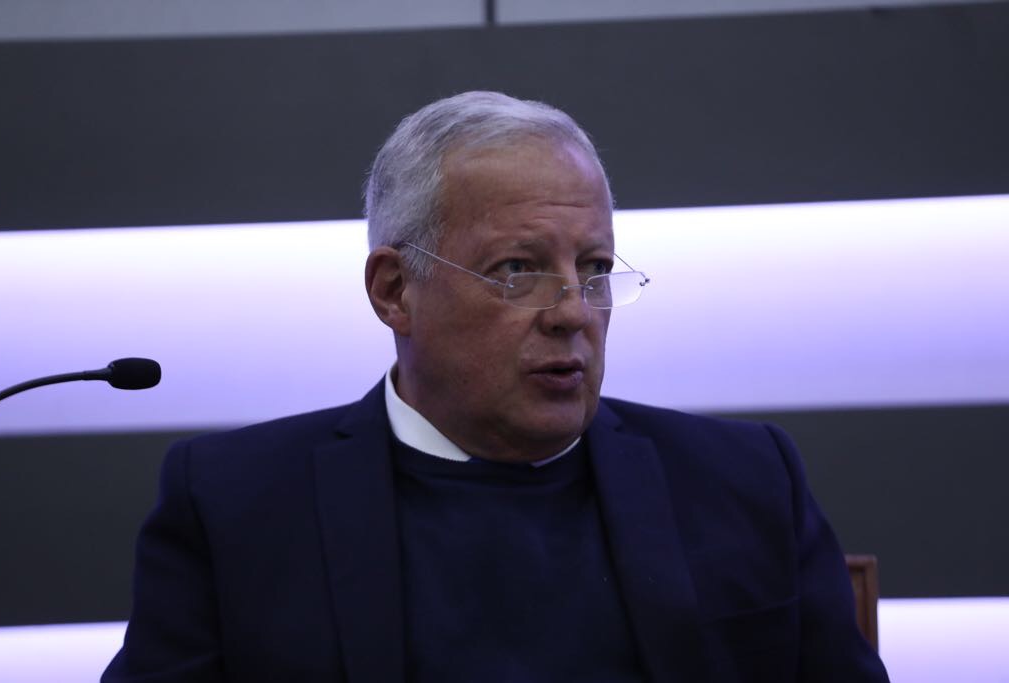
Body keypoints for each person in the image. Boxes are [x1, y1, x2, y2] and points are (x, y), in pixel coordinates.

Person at [103, 91, 889, 682]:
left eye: (595, 268)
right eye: (518, 269)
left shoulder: (744, 480)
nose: (573, 312)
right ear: (394, 291)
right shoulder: (234, 505)